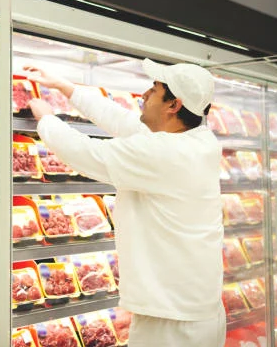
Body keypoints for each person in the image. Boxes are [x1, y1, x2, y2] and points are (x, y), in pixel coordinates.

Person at [27, 59, 225, 347]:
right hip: (191, 309)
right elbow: (122, 120)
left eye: (154, 90)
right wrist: (66, 88)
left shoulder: (168, 153)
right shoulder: (194, 140)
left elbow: (87, 153)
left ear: (174, 105)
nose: (144, 95)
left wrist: (46, 119)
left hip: (173, 322)